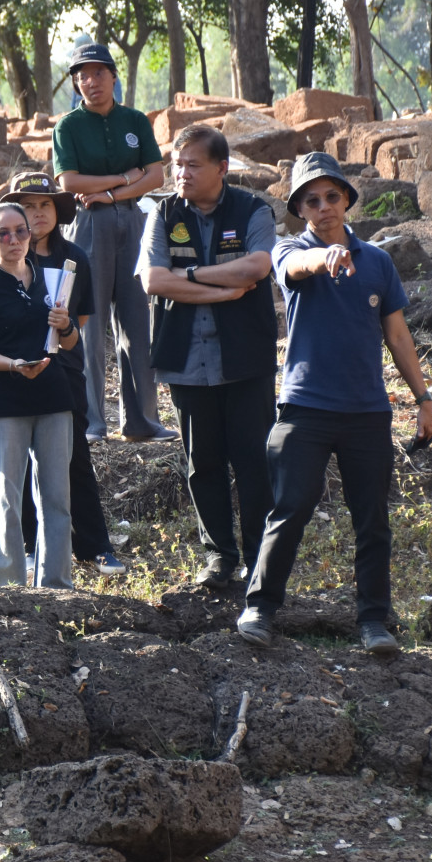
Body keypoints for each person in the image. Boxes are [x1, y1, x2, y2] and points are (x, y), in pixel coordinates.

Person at [239, 154, 432, 656]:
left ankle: (374, 619)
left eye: (332, 196)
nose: (324, 207)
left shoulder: (378, 262)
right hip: (305, 408)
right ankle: (261, 606)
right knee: (289, 510)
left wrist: (424, 398)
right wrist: (323, 258)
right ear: (300, 209)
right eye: (312, 200)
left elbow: (397, 333)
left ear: (347, 199)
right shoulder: (290, 251)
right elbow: (293, 268)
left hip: (368, 412)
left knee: (372, 518)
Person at [136, 124, 277, 590]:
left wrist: (191, 273)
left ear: (222, 168)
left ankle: (260, 558)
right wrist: (221, 289)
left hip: (244, 359)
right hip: (186, 360)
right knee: (203, 463)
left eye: (193, 164)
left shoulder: (253, 209)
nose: (182, 173)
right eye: (178, 164)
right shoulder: (162, 213)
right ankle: (220, 556)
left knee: (253, 462)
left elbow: (257, 267)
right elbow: (153, 280)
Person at [50, 42, 174, 443]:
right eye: (82, 75)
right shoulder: (68, 126)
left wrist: (111, 194)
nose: (90, 81)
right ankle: (92, 422)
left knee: (137, 321)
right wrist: (123, 179)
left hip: (133, 221)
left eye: (98, 73)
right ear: (75, 82)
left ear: (113, 75)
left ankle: (142, 421)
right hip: (87, 225)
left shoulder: (135, 120)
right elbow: (68, 183)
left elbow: (155, 176)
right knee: (90, 320)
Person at [10, 172, 126, 577]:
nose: (36, 214)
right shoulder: (5, 256)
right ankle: (27, 545)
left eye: (44, 206)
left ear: (58, 212)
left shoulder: (75, 256)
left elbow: (84, 318)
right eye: (26, 206)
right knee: (21, 460)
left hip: (64, 373)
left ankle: (95, 546)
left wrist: (65, 331)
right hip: (14, 374)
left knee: (75, 458)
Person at [0, 202, 82, 587]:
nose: (13, 239)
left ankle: (57, 586)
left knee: (57, 498)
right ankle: (7, 586)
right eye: (3, 233)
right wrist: (14, 364)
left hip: (52, 397)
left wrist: (65, 325)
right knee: (6, 499)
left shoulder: (52, 279)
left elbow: (70, 342)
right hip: (4, 402)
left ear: (30, 236)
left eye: (20, 231)